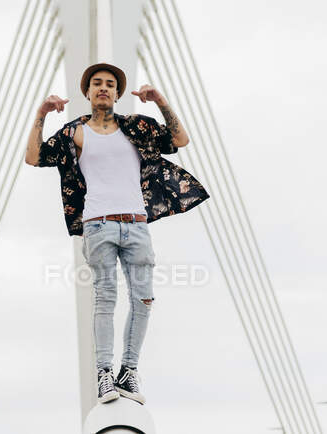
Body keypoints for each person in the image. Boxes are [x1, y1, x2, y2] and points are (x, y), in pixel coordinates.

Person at [25, 63, 209, 405]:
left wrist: (159, 101)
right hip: (98, 224)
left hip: (137, 224)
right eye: (97, 84)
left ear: (118, 93)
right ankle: (104, 375)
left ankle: (129, 371)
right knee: (105, 299)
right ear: (87, 92)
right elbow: (34, 157)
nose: (104, 88)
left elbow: (180, 139)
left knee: (144, 299)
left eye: (110, 84)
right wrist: (41, 112)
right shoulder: (75, 133)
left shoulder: (137, 127)